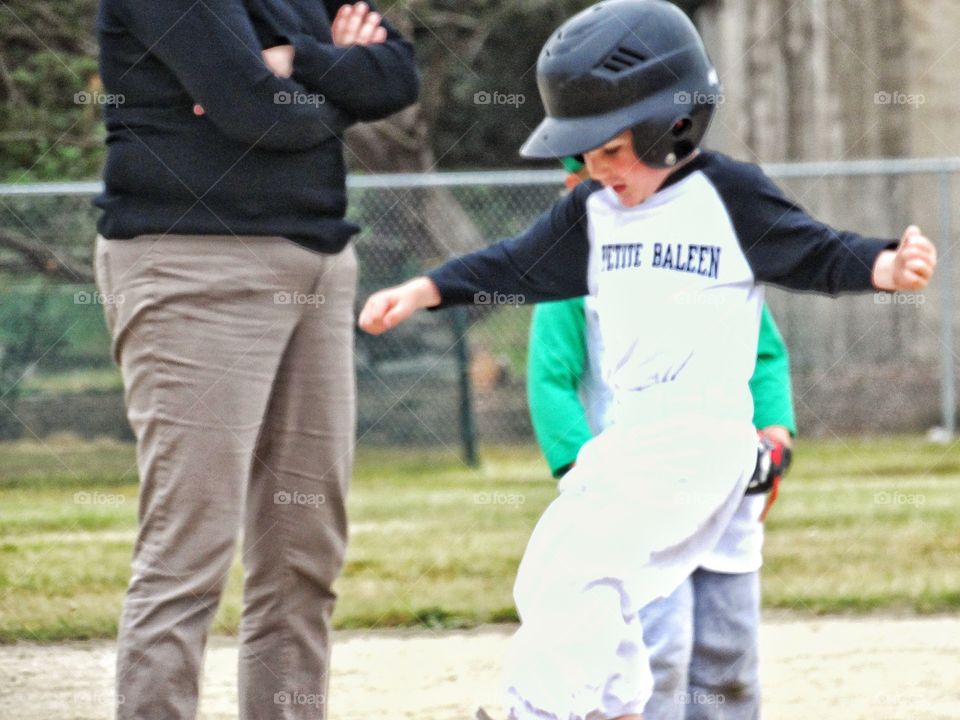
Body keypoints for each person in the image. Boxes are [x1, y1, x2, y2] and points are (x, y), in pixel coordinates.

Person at [357, 1, 937, 718]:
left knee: (590, 567)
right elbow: (519, 264)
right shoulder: (594, 211)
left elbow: (811, 248)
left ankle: (542, 710)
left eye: (610, 151)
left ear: (674, 125)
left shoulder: (728, 197)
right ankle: (617, 703)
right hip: (628, 438)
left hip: (700, 436)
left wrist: (884, 265)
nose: (598, 171)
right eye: (585, 157)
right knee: (548, 572)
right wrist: (427, 289)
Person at [92, 2, 419, 718]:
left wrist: (295, 62)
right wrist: (335, 78)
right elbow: (260, 114)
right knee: (190, 551)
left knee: (305, 552)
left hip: (319, 263)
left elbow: (397, 75)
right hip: (192, 262)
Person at [528, 283, 795, 718]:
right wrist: (583, 469)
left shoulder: (719, 253)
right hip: (636, 491)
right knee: (658, 652)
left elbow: (763, 350)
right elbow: (549, 377)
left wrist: (774, 431)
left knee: (730, 654)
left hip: (724, 486)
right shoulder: (580, 256)